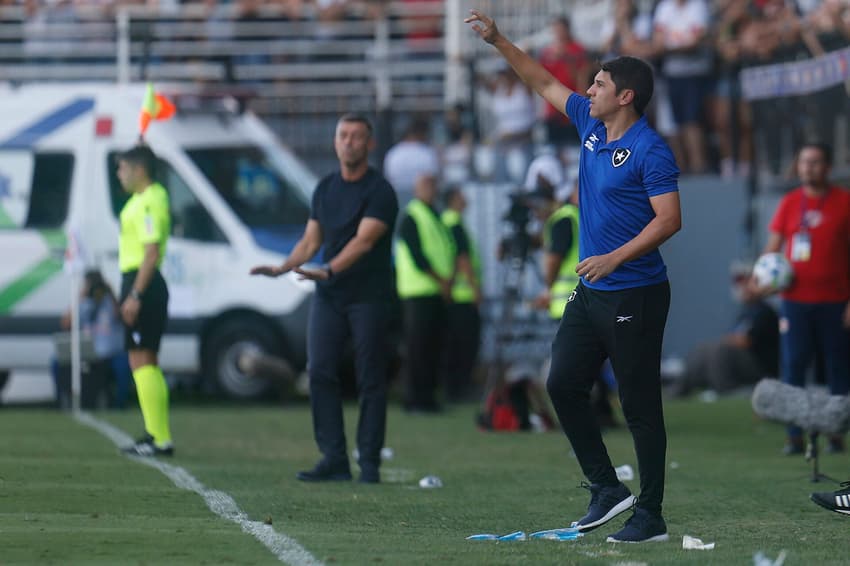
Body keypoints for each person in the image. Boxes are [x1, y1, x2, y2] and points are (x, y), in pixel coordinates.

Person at [466, 10, 682, 543]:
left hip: (636, 291)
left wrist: (615, 258)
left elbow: (670, 219)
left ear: (626, 96)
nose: (590, 88)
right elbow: (541, 80)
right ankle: (608, 489)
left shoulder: (652, 149)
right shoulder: (590, 122)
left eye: (601, 83)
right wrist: (498, 40)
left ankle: (650, 515)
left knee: (639, 408)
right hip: (591, 294)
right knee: (561, 383)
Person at [251, 113, 398, 483]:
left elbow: (363, 241)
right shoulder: (325, 188)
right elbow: (310, 241)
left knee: (370, 379)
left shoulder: (380, 191)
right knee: (319, 372)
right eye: (343, 136)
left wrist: (330, 269)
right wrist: (283, 268)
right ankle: (333, 458)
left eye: (356, 137)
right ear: (335, 142)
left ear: (370, 144)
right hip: (330, 295)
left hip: (369, 295)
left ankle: (369, 464)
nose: (348, 142)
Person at [760, 142, 850, 455]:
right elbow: (772, 249)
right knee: (794, 365)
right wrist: (762, 277)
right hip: (795, 301)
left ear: (827, 167)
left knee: (837, 367)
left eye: (815, 162)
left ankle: (835, 432)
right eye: (804, 162)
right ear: (798, 167)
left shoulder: (844, 202)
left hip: (836, 301)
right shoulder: (789, 203)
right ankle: (794, 436)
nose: (809, 168)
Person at [115, 145, 174, 457]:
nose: (118, 174)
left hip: (144, 282)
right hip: (139, 281)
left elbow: (151, 251)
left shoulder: (151, 200)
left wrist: (135, 294)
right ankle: (156, 434)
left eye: (122, 168)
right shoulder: (143, 199)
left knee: (141, 359)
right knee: (145, 359)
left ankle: (159, 438)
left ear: (139, 170)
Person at [395, 173, 454, 412]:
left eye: (433, 184)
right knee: (417, 348)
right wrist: (441, 280)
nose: (432, 189)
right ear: (416, 189)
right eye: (426, 185)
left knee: (431, 347)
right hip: (418, 292)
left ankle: (428, 397)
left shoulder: (434, 215)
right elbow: (418, 255)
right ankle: (414, 399)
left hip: (434, 292)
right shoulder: (412, 216)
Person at [672, 266, 779, 397]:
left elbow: (745, 341)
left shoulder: (763, 311)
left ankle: (725, 390)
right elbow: (734, 338)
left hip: (761, 367)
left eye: (745, 284)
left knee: (719, 350)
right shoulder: (744, 311)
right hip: (742, 360)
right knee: (703, 348)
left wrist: (728, 340)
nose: (741, 288)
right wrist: (729, 339)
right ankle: (679, 390)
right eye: (739, 284)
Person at [53, 269, 132, 410]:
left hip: (110, 353)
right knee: (56, 363)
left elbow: (121, 317)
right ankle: (61, 402)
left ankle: (119, 405)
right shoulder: (84, 303)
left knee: (123, 366)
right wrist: (80, 298)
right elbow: (65, 323)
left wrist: (111, 293)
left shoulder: (109, 301)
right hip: (87, 353)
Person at [441, 187, 482, 401]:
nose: (466, 199)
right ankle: (460, 389)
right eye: (461, 195)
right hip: (462, 295)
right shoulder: (454, 223)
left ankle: (454, 389)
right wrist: (475, 289)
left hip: (454, 294)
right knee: (465, 346)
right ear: (453, 199)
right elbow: (462, 258)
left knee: (455, 346)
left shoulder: (445, 221)